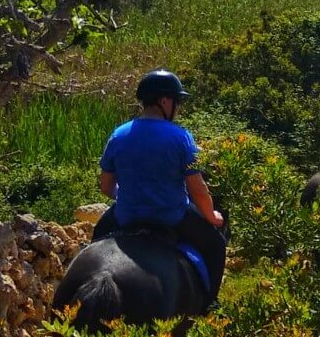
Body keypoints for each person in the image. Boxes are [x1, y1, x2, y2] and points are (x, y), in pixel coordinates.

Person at [93, 68, 226, 304]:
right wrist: (212, 217)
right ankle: (210, 303)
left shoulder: (118, 134)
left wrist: (129, 198)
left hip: (126, 215)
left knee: (96, 238)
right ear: (165, 101)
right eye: (177, 102)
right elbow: (198, 190)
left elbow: (106, 186)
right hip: (172, 216)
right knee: (216, 245)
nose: (178, 108)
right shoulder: (180, 137)